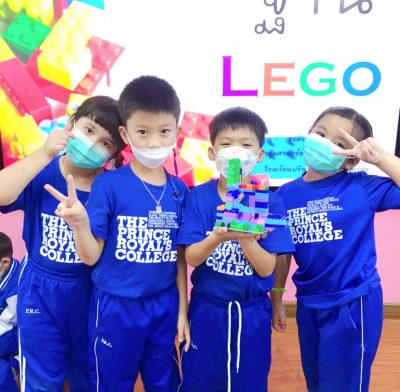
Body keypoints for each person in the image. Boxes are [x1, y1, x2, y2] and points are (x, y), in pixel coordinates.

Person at [45, 75, 191, 392]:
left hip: (163, 306)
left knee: (165, 382)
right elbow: (90, 257)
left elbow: (180, 258)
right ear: (125, 134)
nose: (154, 142)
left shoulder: (180, 191)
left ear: (177, 133)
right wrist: (80, 224)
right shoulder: (108, 185)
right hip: (115, 309)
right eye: (143, 132)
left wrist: (182, 311)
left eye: (164, 131)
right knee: (111, 383)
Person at [0, 96, 126, 391]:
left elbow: (99, 254)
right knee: (41, 377)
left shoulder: (111, 187)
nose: (92, 144)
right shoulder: (42, 170)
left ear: (113, 153)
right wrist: (44, 153)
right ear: (71, 124)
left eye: (105, 143)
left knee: (89, 372)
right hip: (40, 290)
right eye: (89, 130)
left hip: (90, 290)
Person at [274, 106, 400, 392]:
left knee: (345, 385)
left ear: (351, 160)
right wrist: (277, 296)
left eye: (339, 143)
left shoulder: (362, 187)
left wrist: (380, 158)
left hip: (353, 303)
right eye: (320, 134)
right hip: (309, 303)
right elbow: (283, 252)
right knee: (317, 381)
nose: (324, 144)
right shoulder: (284, 195)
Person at [175, 106, 294, 392]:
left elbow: (266, 268)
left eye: (246, 145)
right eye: (226, 144)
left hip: (252, 311)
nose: (236, 153)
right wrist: (217, 237)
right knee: (201, 378)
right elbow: (191, 258)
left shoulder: (270, 202)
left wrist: (245, 237)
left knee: (249, 379)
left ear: (259, 155)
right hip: (207, 308)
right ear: (212, 153)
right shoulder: (199, 197)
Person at [0, 232, 20, 392]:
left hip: (14, 336)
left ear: (4, 263)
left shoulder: (17, 287)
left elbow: (7, 325)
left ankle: (14, 371)